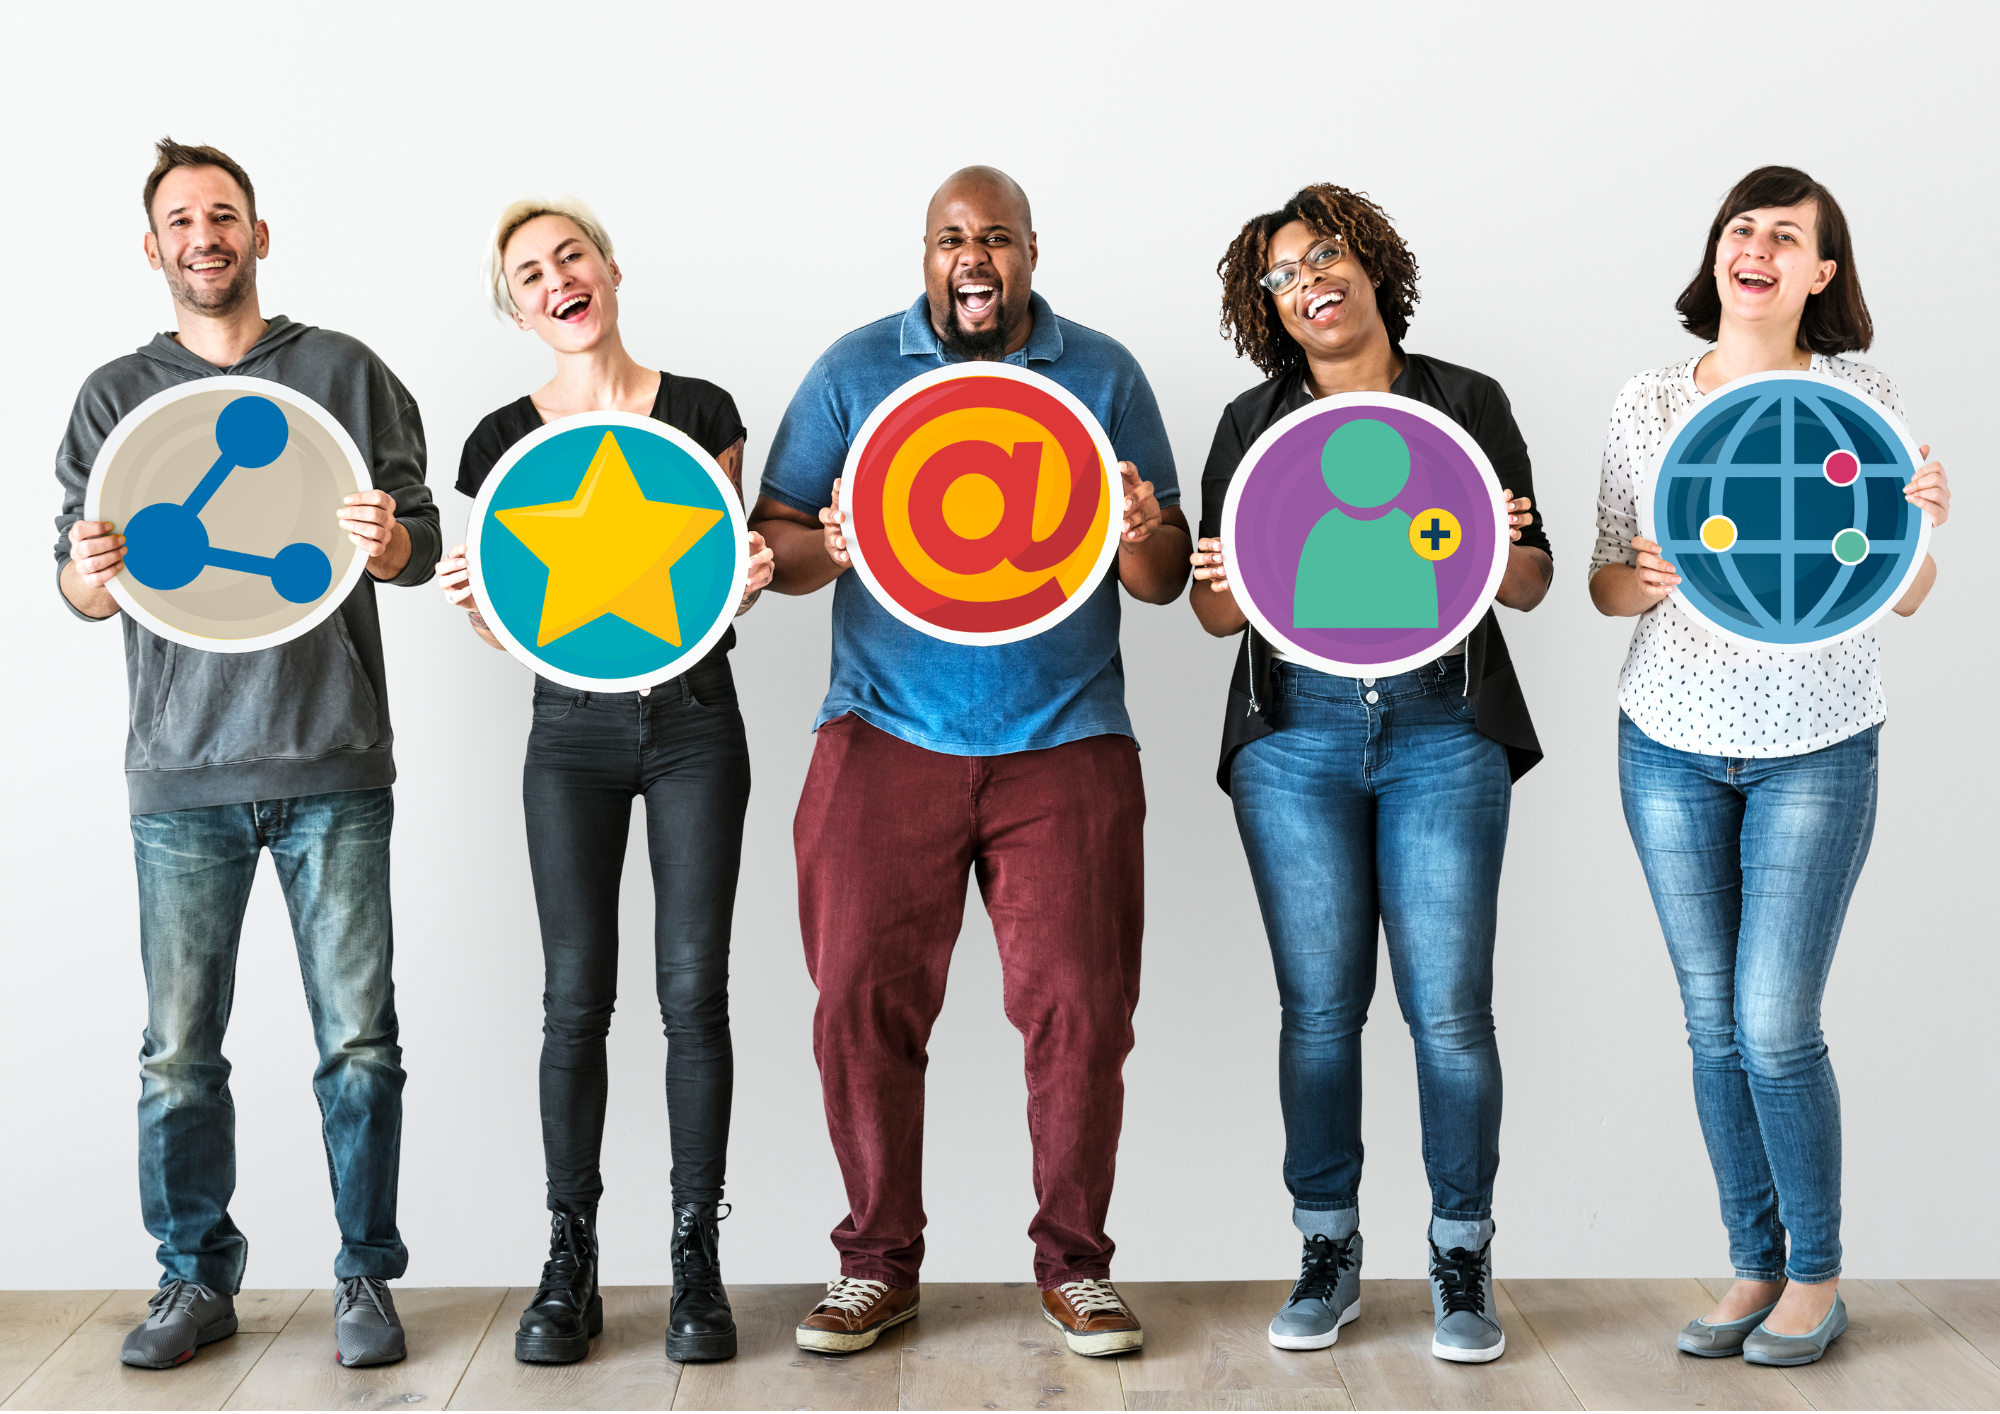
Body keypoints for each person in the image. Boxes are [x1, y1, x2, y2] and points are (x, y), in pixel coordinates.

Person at [749, 165, 1189, 1358]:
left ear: (1032, 252)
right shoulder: (853, 370)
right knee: (857, 1006)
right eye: (952, 238)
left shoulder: (1101, 374)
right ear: (926, 254)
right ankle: (875, 1264)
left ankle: (1077, 1266)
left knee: (1083, 1011)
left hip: (1067, 739)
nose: (973, 256)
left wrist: (1147, 533)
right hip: (882, 732)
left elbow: (1159, 578)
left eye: (995, 236)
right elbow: (773, 542)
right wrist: (825, 545)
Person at [54, 138, 439, 1371]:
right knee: (178, 1055)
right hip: (181, 773)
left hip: (332, 758)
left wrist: (389, 546)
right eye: (181, 219)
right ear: (152, 246)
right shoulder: (117, 398)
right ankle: (192, 1278)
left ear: (260, 235)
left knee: (359, 1043)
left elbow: (423, 543)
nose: (205, 235)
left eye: (225, 214)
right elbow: (80, 585)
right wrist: (90, 573)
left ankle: (365, 1281)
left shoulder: (344, 372)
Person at [1588, 166, 1948, 1367]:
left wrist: (1921, 526)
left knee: (1773, 1022)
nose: (1754, 246)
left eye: (1784, 235)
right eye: (1738, 227)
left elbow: (1898, 592)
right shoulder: (1646, 401)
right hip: (1666, 740)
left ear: (1819, 275)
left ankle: (1814, 1271)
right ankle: (1748, 1262)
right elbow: (1601, 581)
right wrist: (1630, 577)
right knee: (1709, 1023)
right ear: (1717, 257)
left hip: (1816, 742)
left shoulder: (1861, 397)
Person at [1190, 184, 1552, 1364]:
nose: (1310, 280)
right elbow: (1210, 610)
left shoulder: (1463, 404)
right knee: (1318, 1011)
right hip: (1292, 734)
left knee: (1447, 1011)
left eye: (1325, 254)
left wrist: (1504, 541)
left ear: (1370, 263)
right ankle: (1326, 1247)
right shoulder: (1251, 425)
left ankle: (1460, 1254)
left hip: (1442, 727)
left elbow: (1532, 581)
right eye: (1283, 274)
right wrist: (1216, 582)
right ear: (1269, 312)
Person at [435, 198, 773, 1366]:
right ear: (519, 309)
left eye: (568, 254)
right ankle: (568, 1258)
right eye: (528, 272)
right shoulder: (495, 442)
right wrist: (482, 614)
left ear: (610, 270)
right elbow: (520, 626)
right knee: (574, 998)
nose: (555, 278)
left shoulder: (701, 413)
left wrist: (752, 577)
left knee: (694, 994)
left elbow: (721, 581)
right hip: (567, 736)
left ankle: (694, 1257)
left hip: (691, 724)